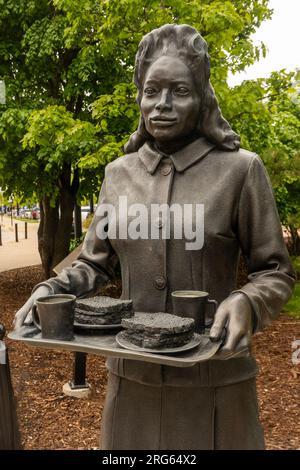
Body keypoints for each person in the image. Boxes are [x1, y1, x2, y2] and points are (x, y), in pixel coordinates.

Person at [14, 24, 295, 450]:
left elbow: (274, 272)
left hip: (216, 387)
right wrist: (50, 289)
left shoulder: (240, 170)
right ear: (140, 97)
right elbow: (94, 262)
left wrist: (248, 302)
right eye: (151, 91)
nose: (161, 104)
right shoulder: (118, 174)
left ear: (202, 96)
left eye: (179, 90)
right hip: (132, 387)